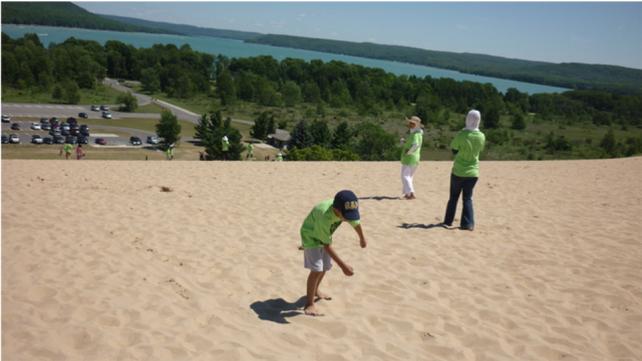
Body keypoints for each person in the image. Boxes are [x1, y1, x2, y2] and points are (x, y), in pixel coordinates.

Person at [300, 190, 367, 316]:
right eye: (346, 216)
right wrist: (343, 266)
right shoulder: (324, 215)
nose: (348, 219)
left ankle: (316, 291)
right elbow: (327, 245)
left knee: (325, 267)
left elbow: (356, 223)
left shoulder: (345, 208)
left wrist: (362, 238)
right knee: (316, 269)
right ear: (336, 210)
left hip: (325, 235)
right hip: (311, 236)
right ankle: (309, 304)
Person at [443, 110, 486, 231]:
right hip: (473, 172)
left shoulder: (461, 134)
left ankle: (448, 221)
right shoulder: (482, 136)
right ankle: (468, 224)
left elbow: (454, 148)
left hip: (458, 171)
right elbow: (480, 149)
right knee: (467, 198)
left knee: (453, 197)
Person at [400, 116, 424, 200]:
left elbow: (415, 145)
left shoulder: (415, 134)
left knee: (405, 176)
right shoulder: (417, 134)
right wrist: (404, 142)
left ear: (417, 125)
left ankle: (411, 193)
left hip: (410, 158)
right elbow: (413, 144)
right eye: (410, 123)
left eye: (412, 123)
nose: (410, 124)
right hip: (414, 158)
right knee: (409, 176)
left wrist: (408, 152)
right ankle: (408, 193)